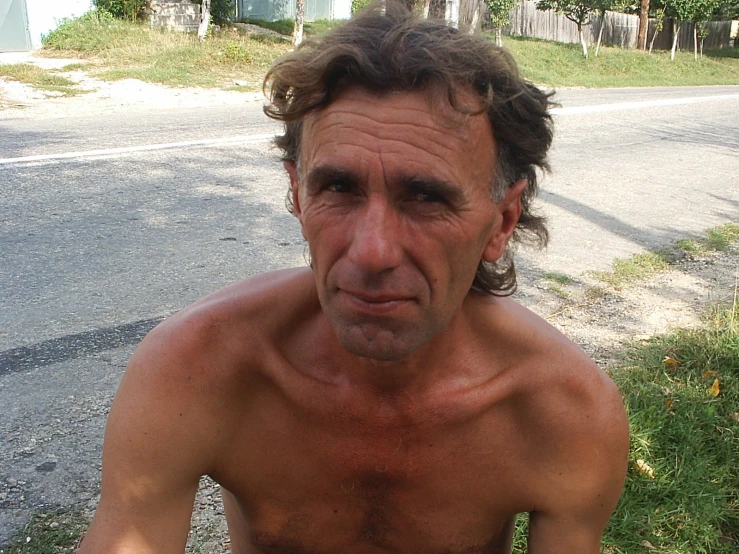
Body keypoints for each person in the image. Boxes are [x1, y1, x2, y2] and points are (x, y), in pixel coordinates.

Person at [78, 3, 629, 553]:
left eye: (426, 197)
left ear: (502, 221)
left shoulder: (564, 413)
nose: (371, 253)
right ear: (297, 194)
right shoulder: (196, 369)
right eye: (338, 189)